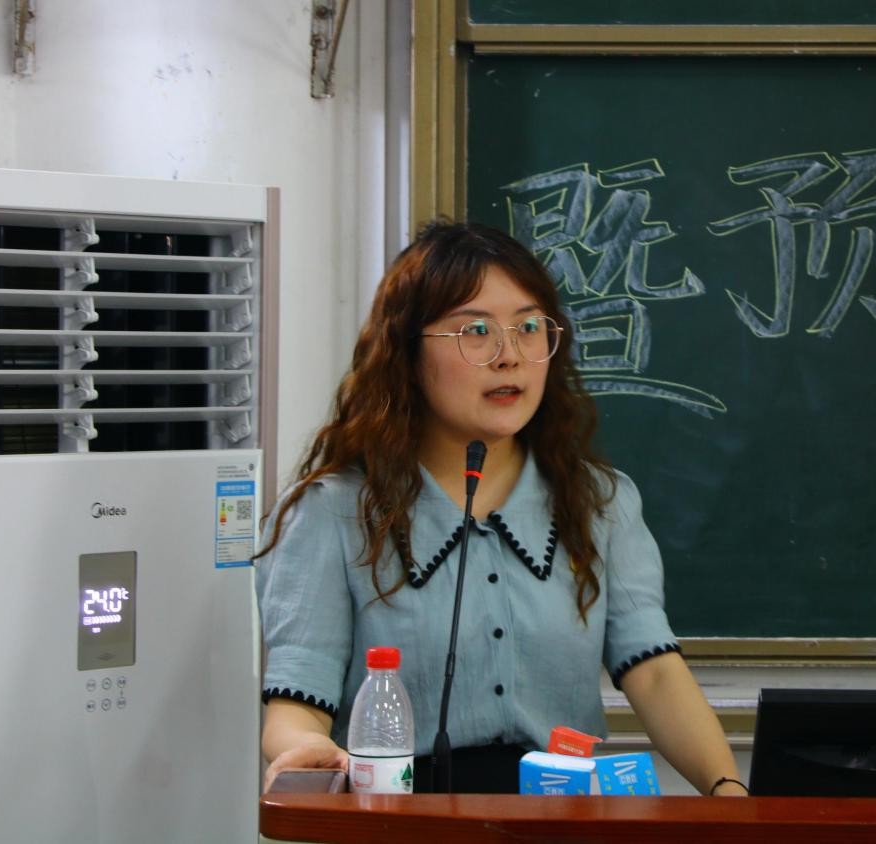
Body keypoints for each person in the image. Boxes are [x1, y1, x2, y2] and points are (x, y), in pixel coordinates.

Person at [255, 219, 744, 796]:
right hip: (402, 817)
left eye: (529, 328)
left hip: (564, 816)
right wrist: (305, 749)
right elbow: (296, 704)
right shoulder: (332, 512)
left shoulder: (599, 501)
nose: (509, 356)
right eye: (476, 331)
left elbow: (656, 673)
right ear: (407, 352)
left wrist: (728, 793)